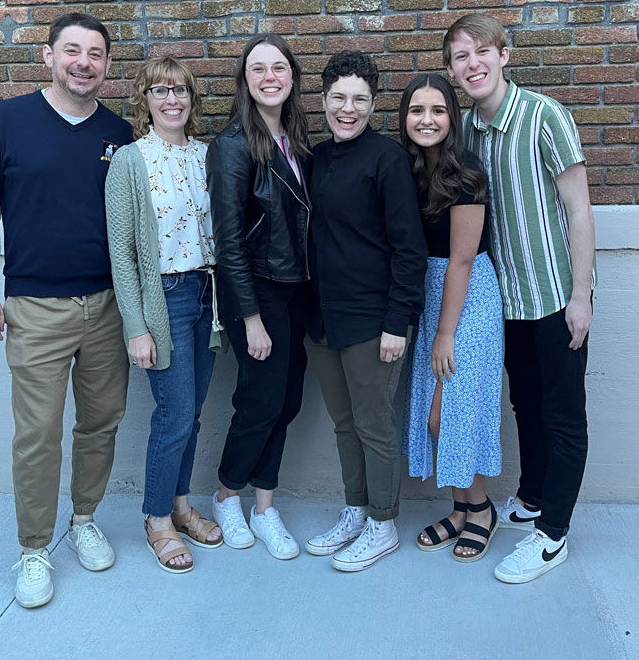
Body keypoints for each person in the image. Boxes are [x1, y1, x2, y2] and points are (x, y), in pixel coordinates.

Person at [0, 12, 133, 608]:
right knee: (37, 434)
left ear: (108, 65)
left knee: (102, 420)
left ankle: (83, 519)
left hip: (108, 307)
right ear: (49, 56)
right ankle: (34, 549)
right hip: (34, 308)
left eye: (95, 54)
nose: (83, 63)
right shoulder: (5, 122)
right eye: (72, 52)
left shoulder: (121, 132)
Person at [444, 12, 596, 584]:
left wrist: (581, 295)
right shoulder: (464, 130)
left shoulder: (543, 116)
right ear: (452, 70)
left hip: (555, 294)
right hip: (505, 299)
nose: (473, 63)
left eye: (482, 51)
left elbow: (578, 209)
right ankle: (532, 496)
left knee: (562, 416)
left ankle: (553, 533)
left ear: (504, 55)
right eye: (461, 56)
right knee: (525, 406)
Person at [304, 51, 427, 572]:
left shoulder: (387, 159)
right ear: (323, 100)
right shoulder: (316, 158)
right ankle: (356, 509)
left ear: (373, 103)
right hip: (322, 319)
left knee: (374, 424)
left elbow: (408, 248)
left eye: (358, 99)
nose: (347, 109)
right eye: (338, 98)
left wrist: (396, 321)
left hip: (373, 320)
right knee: (343, 423)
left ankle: (383, 522)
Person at [105, 56, 223, 575]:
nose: (171, 100)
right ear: (144, 100)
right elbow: (123, 252)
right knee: (173, 414)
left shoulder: (207, 156)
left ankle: (179, 504)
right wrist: (136, 325)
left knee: (192, 412)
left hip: (207, 294)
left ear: (193, 101)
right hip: (165, 297)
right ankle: (156, 518)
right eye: (160, 91)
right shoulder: (131, 160)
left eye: (181, 91)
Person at [206, 33, 312, 560]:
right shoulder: (231, 145)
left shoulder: (297, 138)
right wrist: (249, 318)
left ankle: (264, 507)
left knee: (287, 401)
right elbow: (228, 241)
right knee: (259, 401)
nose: (269, 77)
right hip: (258, 294)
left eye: (279, 68)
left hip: (295, 292)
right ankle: (227, 494)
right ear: (245, 81)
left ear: (292, 77)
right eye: (257, 69)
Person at [399, 74, 504, 562]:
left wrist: (445, 333)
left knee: (448, 414)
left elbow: (461, 258)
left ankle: (481, 508)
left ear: (452, 118)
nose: (427, 120)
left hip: (467, 300)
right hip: (431, 293)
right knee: (436, 411)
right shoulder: (412, 168)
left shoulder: (466, 171)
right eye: (417, 110)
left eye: (437, 110)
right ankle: (460, 508)